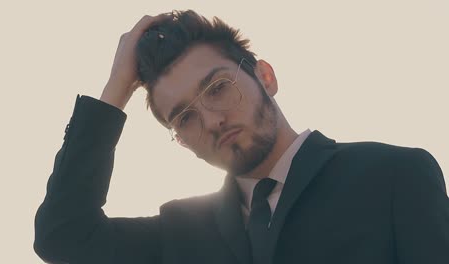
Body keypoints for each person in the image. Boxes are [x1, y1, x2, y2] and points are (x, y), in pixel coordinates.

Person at [34, 10, 449, 264]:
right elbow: (62, 235)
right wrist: (115, 91)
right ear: (179, 139)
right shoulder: (181, 231)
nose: (212, 120)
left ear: (264, 76)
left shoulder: (395, 176)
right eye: (185, 118)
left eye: (217, 89)